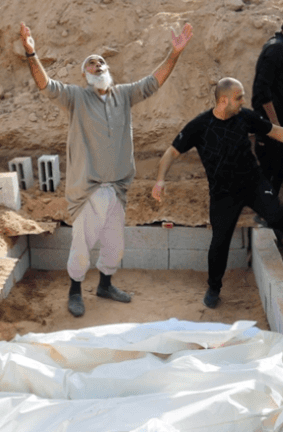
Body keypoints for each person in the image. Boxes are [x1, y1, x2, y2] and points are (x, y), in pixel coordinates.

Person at [19, 21, 193, 317]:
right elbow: (45, 85)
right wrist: (31, 53)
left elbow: (153, 82)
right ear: (85, 75)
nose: (97, 64)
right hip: (89, 189)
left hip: (118, 188)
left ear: (107, 70)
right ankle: (75, 291)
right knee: (81, 246)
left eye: (101, 62)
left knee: (115, 245)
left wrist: (174, 54)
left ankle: (105, 285)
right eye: (90, 63)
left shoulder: (124, 94)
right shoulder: (76, 97)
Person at [153, 77, 283, 307]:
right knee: (220, 242)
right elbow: (171, 153)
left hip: (253, 184)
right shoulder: (200, 125)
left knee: (277, 215)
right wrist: (159, 180)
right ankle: (214, 287)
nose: (243, 101)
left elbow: (276, 132)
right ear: (223, 100)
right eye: (239, 97)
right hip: (223, 194)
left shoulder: (245, 116)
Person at [252, 20, 283, 195]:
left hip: (280, 126)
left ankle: (269, 214)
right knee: (270, 172)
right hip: (272, 126)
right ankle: (264, 215)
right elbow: (261, 90)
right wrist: (275, 126)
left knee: (280, 169)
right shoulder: (276, 49)